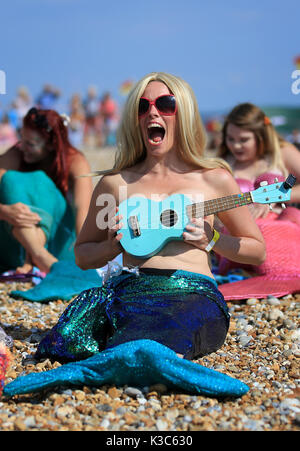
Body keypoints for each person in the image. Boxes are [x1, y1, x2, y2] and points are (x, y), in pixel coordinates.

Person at [34, 72, 266, 364]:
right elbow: (82, 255)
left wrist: (213, 239)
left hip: (191, 293)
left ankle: (141, 363)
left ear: (185, 114)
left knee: (158, 338)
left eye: (165, 104)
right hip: (130, 290)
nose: (152, 112)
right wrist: (113, 247)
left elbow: (257, 251)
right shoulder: (115, 184)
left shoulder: (214, 180)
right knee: (72, 335)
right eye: (143, 106)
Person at [215, 103, 300, 299]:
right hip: (239, 238)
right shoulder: (223, 163)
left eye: (243, 140)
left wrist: (273, 197)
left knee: (275, 227)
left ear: (260, 136)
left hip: (279, 227)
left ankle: (281, 273)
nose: (236, 145)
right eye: (230, 139)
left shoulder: (280, 153)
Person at [0, 107, 93, 274]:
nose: (22, 147)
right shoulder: (17, 153)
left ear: (51, 144)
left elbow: (83, 210)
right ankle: (39, 256)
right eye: (21, 139)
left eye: (31, 144)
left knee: (39, 180)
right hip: (18, 244)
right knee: (11, 181)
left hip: (59, 244)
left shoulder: (74, 161)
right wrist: (4, 211)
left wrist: (86, 257)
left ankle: (37, 257)